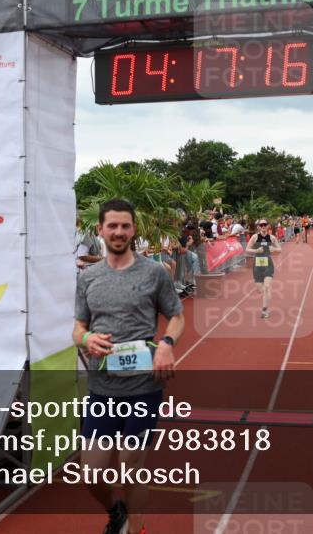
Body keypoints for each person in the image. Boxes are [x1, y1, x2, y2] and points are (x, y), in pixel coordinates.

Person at [73, 199, 184, 534]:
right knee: (90, 473)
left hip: (143, 388)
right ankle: (115, 511)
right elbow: (77, 327)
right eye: (112, 226)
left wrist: (166, 344)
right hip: (102, 389)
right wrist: (86, 339)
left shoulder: (153, 273)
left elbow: (176, 317)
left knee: (130, 468)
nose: (119, 232)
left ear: (133, 229)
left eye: (125, 226)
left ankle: (137, 530)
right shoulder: (88, 278)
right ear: (101, 230)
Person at [246, 218, 281, 319]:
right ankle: (266, 293)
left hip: (268, 265)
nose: (263, 226)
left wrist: (274, 249)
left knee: (266, 287)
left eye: (265, 224)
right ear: (258, 227)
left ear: (268, 226)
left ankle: (264, 310)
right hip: (257, 266)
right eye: (261, 225)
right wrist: (256, 250)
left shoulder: (272, 238)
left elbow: (280, 249)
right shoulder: (254, 237)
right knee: (260, 289)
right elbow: (247, 249)